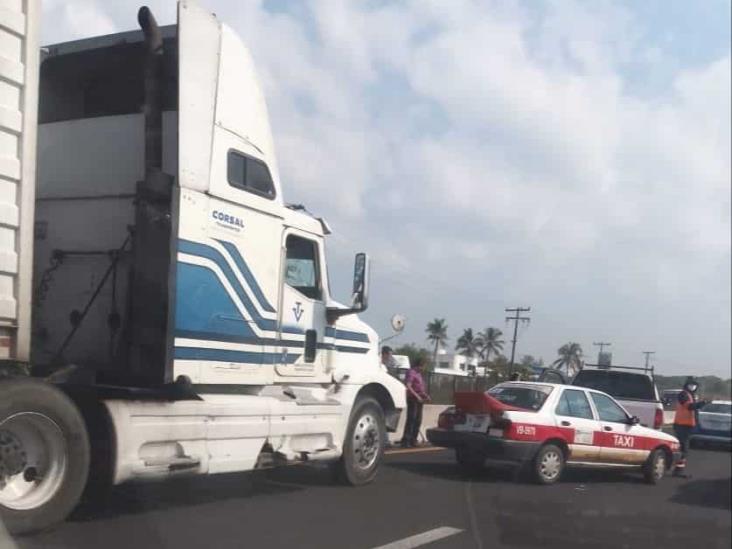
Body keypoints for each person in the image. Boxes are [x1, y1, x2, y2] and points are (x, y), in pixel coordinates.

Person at [672, 376, 707, 477]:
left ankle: (678, 470)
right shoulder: (684, 394)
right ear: (687, 385)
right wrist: (702, 403)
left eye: (694, 385)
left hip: (687, 425)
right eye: (691, 384)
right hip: (681, 425)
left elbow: (693, 411)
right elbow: (689, 407)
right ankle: (677, 470)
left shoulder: (691, 395)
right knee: (683, 449)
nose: (693, 386)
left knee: (684, 448)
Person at [400, 356, 430, 447]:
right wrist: (416, 396)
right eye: (423, 366)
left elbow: (420, 388)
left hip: (420, 398)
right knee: (411, 419)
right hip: (413, 398)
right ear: (419, 365)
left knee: (418, 420)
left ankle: (413, 439)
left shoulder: (419, 374)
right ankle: (406, 440)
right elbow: (408, 385)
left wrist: (425, 395)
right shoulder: (411, 372)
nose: (424, 368)